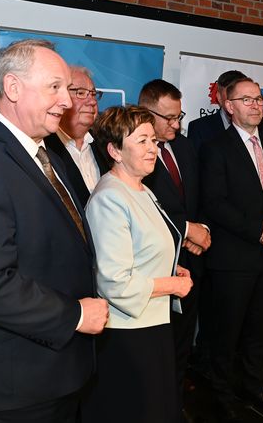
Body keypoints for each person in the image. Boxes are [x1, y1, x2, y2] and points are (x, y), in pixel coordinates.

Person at [0, 39, 108, 422]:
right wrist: (75, 315)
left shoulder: (46, 154)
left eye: (67, 88)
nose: (67, 101)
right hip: (16, 383)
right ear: (13, 88)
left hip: (58, 371)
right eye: (55, 87)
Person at [82, 105, 193, 422]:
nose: (152, 148)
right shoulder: (110, 197)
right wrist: (172, 284)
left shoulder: (141, 189)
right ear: (115, 151)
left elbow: (144, 249)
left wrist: (170, 267)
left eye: (154, 141)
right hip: (129, 333)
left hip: (152, 324)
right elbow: (115, 282)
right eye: (142, 140)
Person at [200, 76, 263, 421]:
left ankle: (254, 386)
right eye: (247, 99)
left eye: (259, 99)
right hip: (233, 259)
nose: (256, 105)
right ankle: (222, 395)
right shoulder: (215, 148)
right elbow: (215, 203)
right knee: (226, 335)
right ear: (229, 106)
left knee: (260, 331)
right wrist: (258, 230)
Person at [138, 79, 210, 421]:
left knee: (182, 343)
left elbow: (200, 196)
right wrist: (185, 231)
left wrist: (201, 230)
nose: (176, 125)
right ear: (145, 112)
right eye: (168, 118)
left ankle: (175, 404)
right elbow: (142, 208)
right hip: (153, 271)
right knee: (155, 350)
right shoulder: (133, 150)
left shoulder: (185, 146)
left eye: (178, 116)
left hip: (191, 263)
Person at [44, 65, 110, 207]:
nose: (92, 101)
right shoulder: (44, 149)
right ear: (60, 98)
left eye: (93, 94)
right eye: (80, 93)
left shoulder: (107, 145)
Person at [187, 69, 263, 151]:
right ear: (219, 97)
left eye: (257, 99)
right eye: (246, 99)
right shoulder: (199, 128)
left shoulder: (261, 124)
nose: (254, 105)